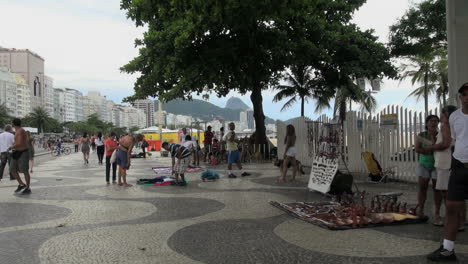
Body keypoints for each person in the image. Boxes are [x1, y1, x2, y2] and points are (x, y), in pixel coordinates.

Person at [428, 83, 468, 261]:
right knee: (451, 207)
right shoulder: (455, 117)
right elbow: (455, 140)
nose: (467, 97)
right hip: (459, 166)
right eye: (464, 94)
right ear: (460, 97)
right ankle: (447, 249)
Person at [424, 105, 458, 226]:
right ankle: (455, 219)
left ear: (446, 114)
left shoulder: (445, 126)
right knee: (448, 192)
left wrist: (431, 147)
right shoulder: (452, 126)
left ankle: (452, 220)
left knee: (446, 193)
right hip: (446, 162)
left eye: (442, 114)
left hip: (444, 163)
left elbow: (445, 144)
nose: (440, 116)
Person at [415, 114, 441, 218]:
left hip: (437, 165)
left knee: (437, 189)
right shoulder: (421, 135)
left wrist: (429, 149)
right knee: (422, 188)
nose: (433, 123)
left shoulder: (440, 135)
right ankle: (421, 210)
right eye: (431, 121)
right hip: (424, 165)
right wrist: (431, 149)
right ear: (426, 123)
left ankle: (437, 213)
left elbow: (442, 149)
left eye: (435, 121)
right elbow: (417, 149)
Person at [9, 118, 31, 194]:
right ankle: (21, 184)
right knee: (12, 169)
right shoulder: (17, 131)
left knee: (25, 171)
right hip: (17, 152)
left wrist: (11, 147)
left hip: (23, 153)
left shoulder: (21, 131)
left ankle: (28, 188)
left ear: (13, 124)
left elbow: (19, 143)